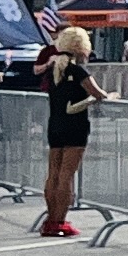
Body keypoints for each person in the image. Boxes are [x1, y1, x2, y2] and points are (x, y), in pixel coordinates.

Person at [36, 23, 103, 237]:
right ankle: (60, 220)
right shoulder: (77, 69)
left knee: (53, 173)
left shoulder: (54, 71)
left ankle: (50, 218)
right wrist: (109, 96)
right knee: (66, 174)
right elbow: (97, 92)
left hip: (55, 124)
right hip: (75, 125)